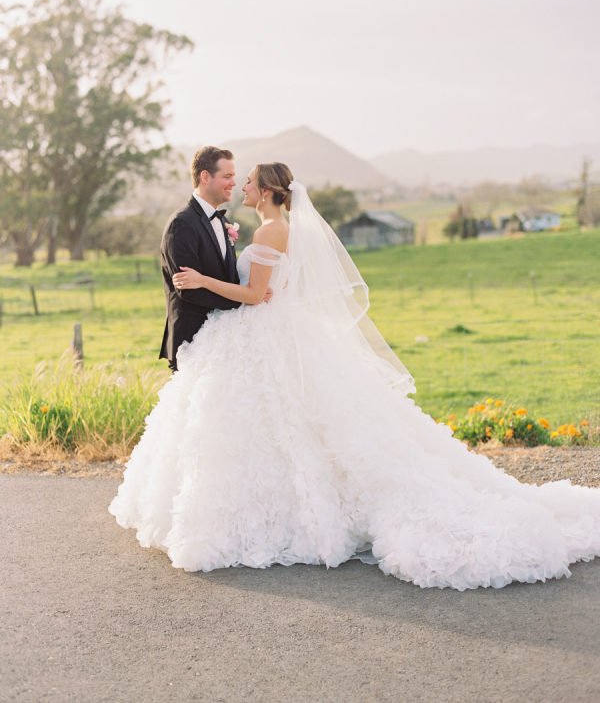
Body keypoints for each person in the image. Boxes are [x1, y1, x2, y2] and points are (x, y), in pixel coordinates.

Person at [109, 163, 600, 591]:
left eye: (251, 181)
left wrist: (203, 281)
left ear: (270, 191)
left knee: (280, 421)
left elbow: (256, 295)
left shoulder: (269, 231)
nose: (243, 187)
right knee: (287, 421)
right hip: (273, 330)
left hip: (265, 329)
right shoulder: (272, 227)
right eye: (238, 179)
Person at [159, 146, 241, 373]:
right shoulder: (181, 224)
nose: (233, 183)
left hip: (223, 338)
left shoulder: (223, 222)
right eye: (227, 176)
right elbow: (189, 290)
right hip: (192, 342)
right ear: (205, 177)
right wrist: (244, 300)